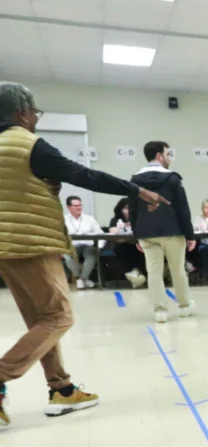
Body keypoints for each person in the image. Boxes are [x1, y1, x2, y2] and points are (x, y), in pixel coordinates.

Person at [0, 81, 167, 425]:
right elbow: (86, 176)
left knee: (40, 320)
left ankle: (61, 389)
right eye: (34, 113)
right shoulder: (28, 144)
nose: (36, 119)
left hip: (5, 247)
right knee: (58, 317)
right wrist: (137, 191)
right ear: (21, 113)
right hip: (32, 242)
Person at [129, 141, 196, 324]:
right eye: (168, 154)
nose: (169, 158)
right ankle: (183, 306)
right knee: (178, 270)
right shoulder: (173, 179)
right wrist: (190, 235)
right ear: (159, 156)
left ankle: (160, 311)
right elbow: (183, 209)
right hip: (172, 230)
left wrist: (136, 235)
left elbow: (132, 209)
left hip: (146, 233)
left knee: (154, 273)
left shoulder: (135, 180)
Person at [62, 195, 103, 289]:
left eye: (80, 205)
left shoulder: (90, 219)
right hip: (71, 246)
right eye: (75, 206)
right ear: (69, 207)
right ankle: (83, 279)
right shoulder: (63, 220)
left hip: (87, 245)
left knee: (92, 254)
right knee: (67, 257)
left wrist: (99, 247)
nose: (79, 207)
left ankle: (81, 279)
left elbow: (100, 234)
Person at [109, 198, 147, 288]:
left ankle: (135, 274)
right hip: (122, 246)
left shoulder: (140, 218)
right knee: (125, 248)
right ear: (120, 209)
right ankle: (135, 273)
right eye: (125, 208)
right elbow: (113, 233)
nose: (128, 210)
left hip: (138, 245)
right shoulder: (116, 220)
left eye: (130, 208)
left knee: (141, 249)